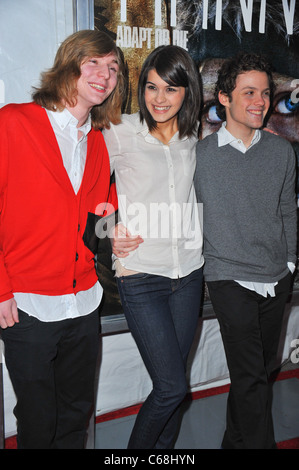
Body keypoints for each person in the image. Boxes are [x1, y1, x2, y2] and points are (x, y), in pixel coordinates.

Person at [0, 29, 126, 449]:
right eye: (94, 63)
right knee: (37, 417)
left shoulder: (99, 140)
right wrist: (1, 290)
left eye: (112, 68)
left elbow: (96, 212)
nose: (104, 75)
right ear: (69, 64)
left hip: (84, 301)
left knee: (76, 414)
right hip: (27, 304)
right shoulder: (13, 122)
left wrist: (110, 226)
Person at [102, 45, 204, 449]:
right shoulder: (120, 130)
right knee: (171, 387)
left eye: (171, 89)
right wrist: (108, 229)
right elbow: (87, 188)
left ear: (187, 92)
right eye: (151, 87)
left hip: (189, 275)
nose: (159, 99)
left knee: (174, 389)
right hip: (141, 274)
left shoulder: (194, 136)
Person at [194, 52, 297, 449]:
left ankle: (232, 443)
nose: (259, 101)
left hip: (275, 274)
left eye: (266, 93)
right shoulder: (201, 155)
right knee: (252, 375)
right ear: (224, 98)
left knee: (259, 370)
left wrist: (288, 261)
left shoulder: (280, 152)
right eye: (248, 92)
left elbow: (287, 208)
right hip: (226, 274)